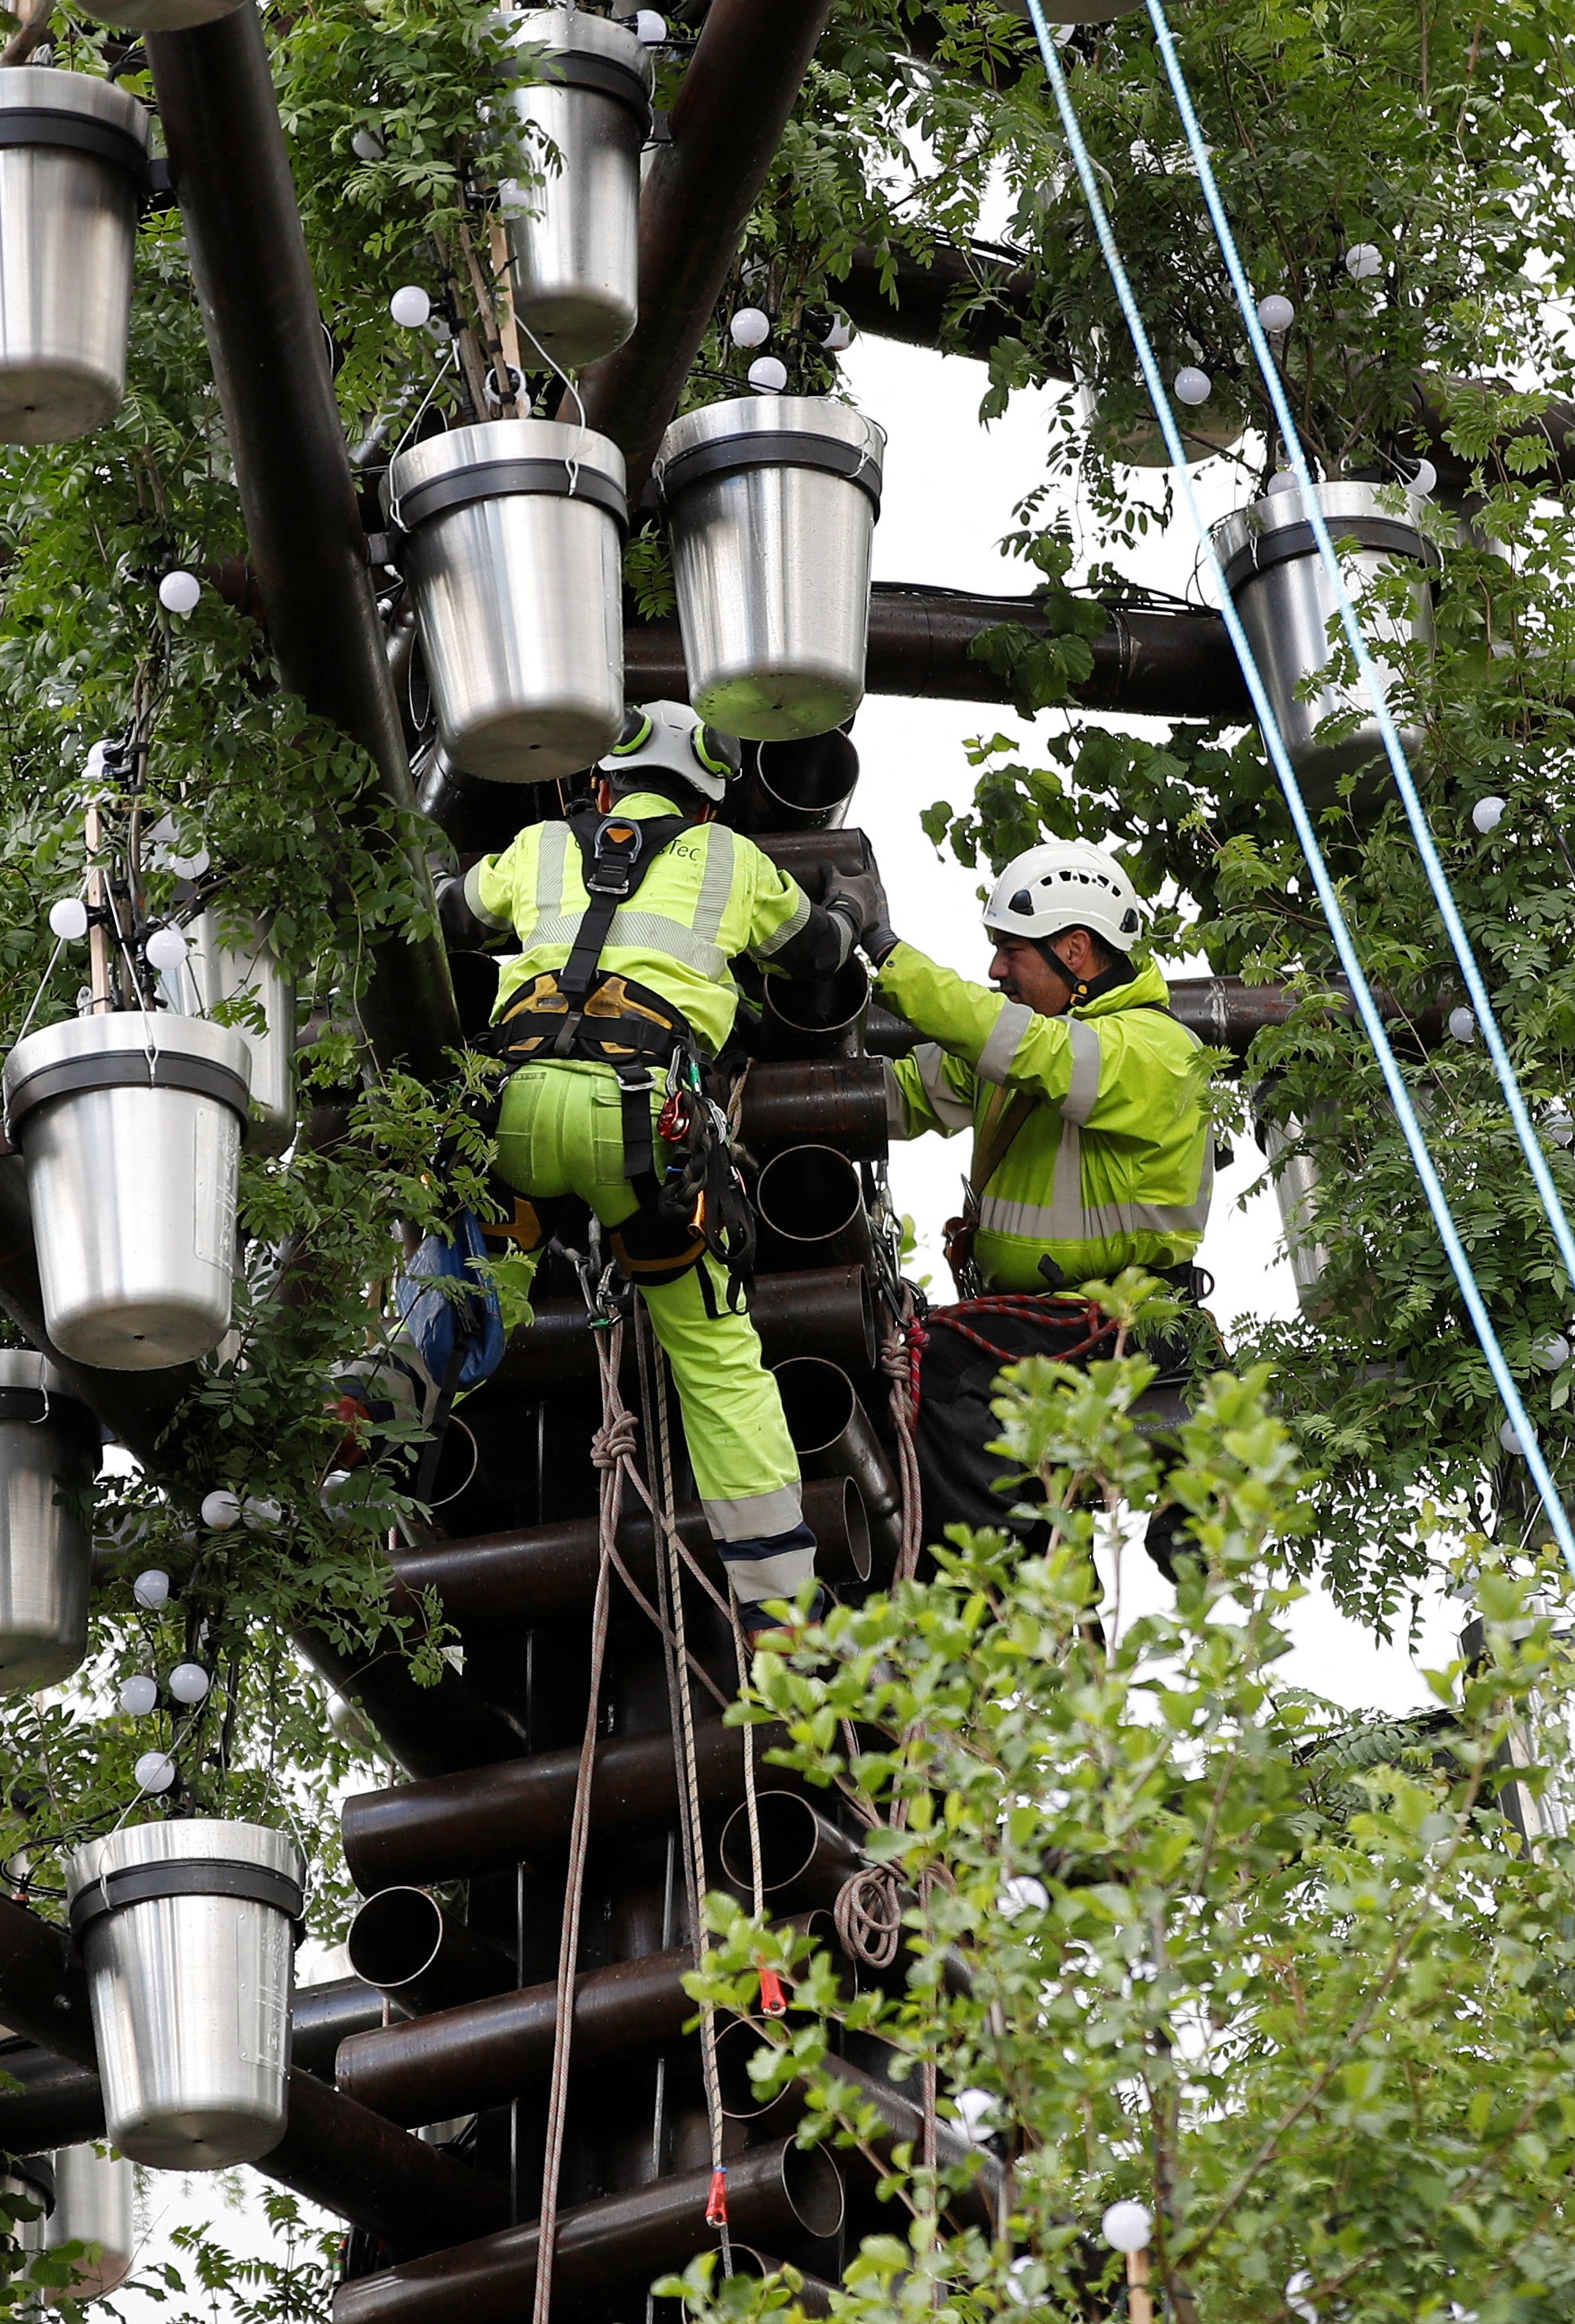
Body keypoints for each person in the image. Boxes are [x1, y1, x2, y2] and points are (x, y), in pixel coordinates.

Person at [443, 701, 857, 1638]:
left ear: (600, 786)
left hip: (515, 1114)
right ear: (710, 806)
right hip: (646, 1136)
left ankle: (376, 1398)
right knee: (714, 1359)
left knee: (478, 1292)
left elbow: (452, 915)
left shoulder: (541, 843)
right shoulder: (731, 860)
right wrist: (846, 910)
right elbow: (815, 955)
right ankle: (782, 1604)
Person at [859, 839, 1221, 1301]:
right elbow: (901, 1097)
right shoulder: (1025, 1049)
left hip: (1118, 1335)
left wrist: (886, 951)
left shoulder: (1157, 1048)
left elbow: (1038, 1052)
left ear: (1074, 950)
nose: (995, 969)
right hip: (1032, 1325)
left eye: (1012, 950)